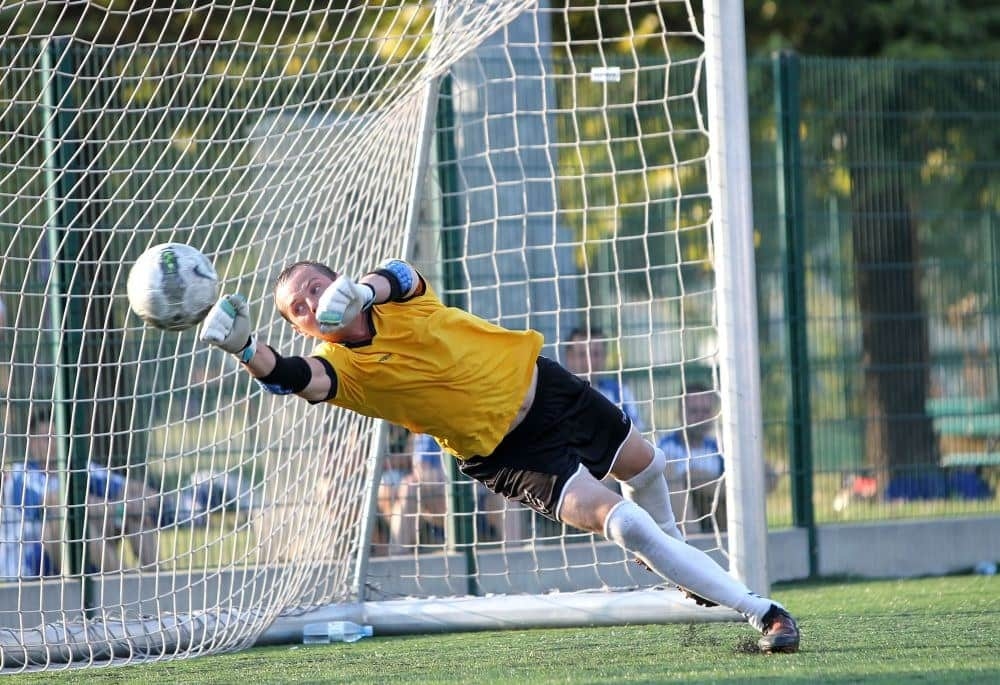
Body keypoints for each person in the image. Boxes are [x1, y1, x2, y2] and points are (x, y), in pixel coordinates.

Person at [198, 258, 800, 653]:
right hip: (509, 453)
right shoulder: (342, 369)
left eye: (314, 287)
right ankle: (760, 610)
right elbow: (292, 376)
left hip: (546, 385)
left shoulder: (395, 301)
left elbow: (401, 275)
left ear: (338, 282)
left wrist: (363, 288)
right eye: (296, 308)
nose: (309, 302)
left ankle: (682, 565)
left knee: (649, 468)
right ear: (303, 329)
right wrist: (246, 348)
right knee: (627, 523)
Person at [1, 408, 162, 577]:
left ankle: (159, 580)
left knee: (132, 508)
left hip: (82, 549)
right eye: (46, 439)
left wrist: (140, 502)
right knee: (63, 519)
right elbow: (62, 502)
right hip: (34, 566)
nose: (54, 443)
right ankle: (127, 579)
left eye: (58, 437)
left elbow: (136, 490)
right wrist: (123, 508)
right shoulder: (21, 475)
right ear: (32, 443)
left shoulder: (79, 468)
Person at [659, 382, 727, 534]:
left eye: (706, 411)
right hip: (677, 522)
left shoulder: (718, 449)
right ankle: (691, 540)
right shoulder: (665, 447)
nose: (700, 418)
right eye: (694, 411)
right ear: (680, 414)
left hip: (715, 516)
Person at [563, 325, 644, 431]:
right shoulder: (558, 395)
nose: (590, 361)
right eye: (582, 354)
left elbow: (638, 434)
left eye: (596, 354)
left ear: (605, 357)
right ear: (570, 357)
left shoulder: (620, 392)